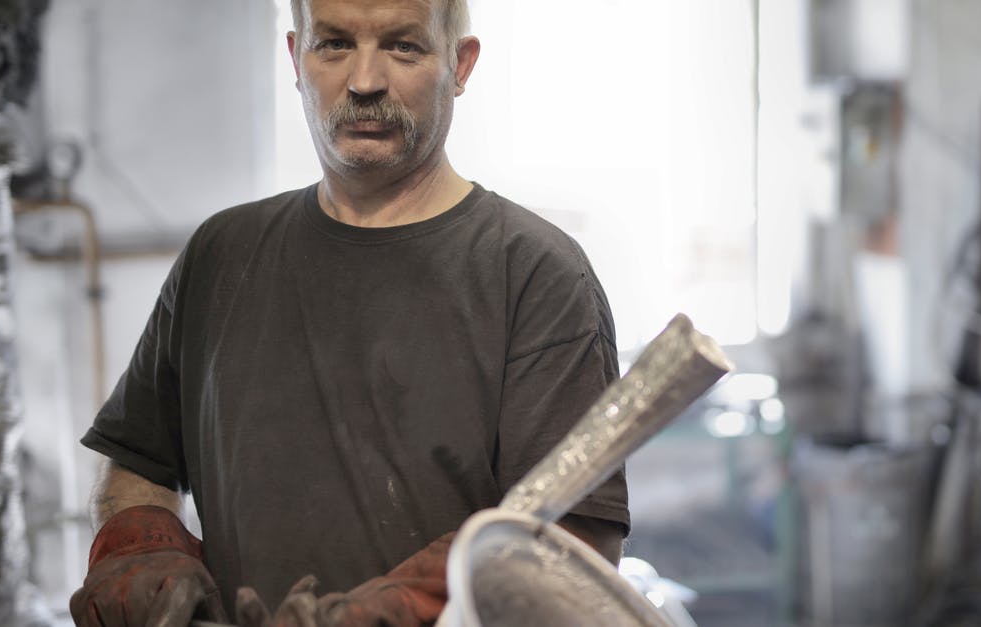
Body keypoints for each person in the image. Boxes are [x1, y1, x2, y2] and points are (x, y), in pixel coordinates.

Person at [68, 0, 629, 624]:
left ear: (461, 65)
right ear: (295, 59)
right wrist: (141, 549)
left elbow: (577, 539)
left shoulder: (534, 272)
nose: (364, 82)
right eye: (333, 44)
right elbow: (137, 463)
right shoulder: (221, 254)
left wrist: (399, 609)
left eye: (404, 47)